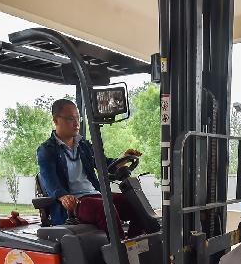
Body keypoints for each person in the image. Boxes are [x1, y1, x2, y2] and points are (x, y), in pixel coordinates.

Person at [36, 98, 158, 239]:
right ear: (56, 120)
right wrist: (63, 196)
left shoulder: (84, 146)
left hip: (96, 195)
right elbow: (49, 180)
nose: (76, 123)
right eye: (71, 118)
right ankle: (121, 253)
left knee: (136, 204)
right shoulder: (47, 150)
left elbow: (104, 163)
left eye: (78, 118)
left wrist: (123, 158)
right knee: (105, 209)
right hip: (75, 203)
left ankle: (134, 245)